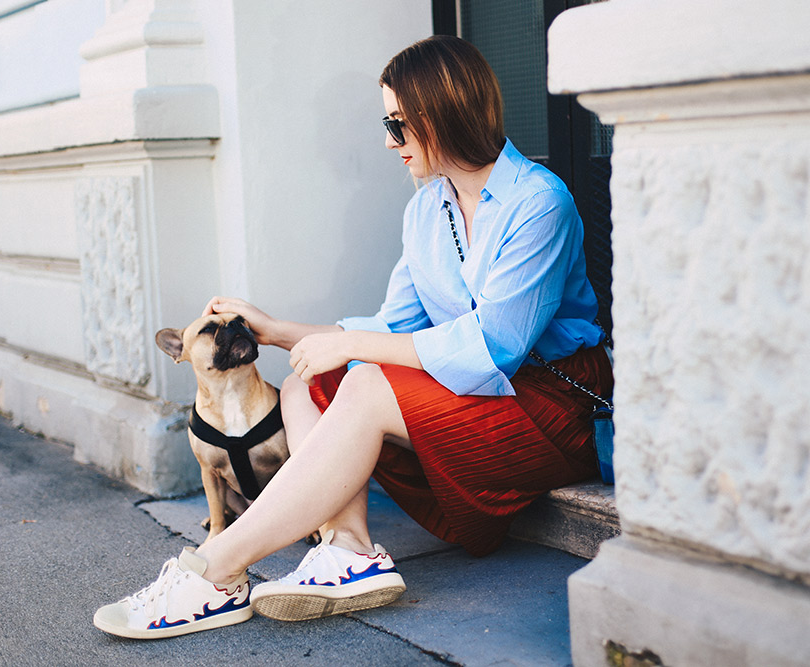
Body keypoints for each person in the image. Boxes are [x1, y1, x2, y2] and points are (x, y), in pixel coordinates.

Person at [93, 34, 612, 640]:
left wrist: (352, 349)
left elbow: (492, 347)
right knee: (304, 381)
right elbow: (393, 328)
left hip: (550, 406)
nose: (386, 141)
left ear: (437, 117)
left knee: (361, 382)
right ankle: (348, 549)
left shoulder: (539, 203)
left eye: (397, 126)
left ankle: (215, 571)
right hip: (474, 398)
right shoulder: (427, 210)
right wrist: (281, 331)